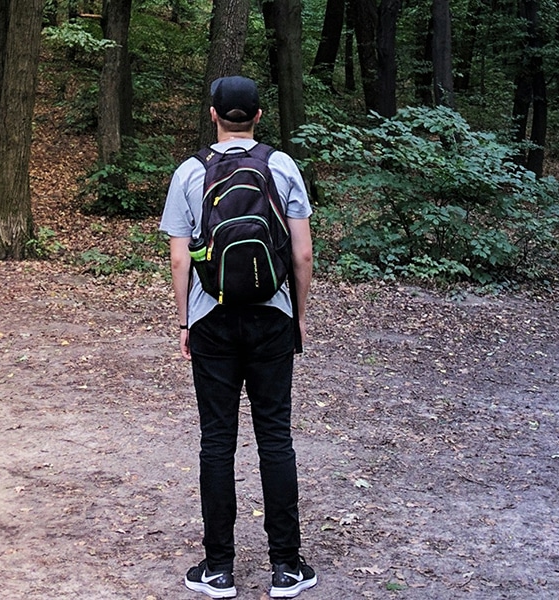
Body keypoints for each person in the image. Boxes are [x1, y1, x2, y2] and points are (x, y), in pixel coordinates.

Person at [158, 75, 317, 599]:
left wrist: (185, 320)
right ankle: (287, 567)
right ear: (258, 115)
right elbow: (302, 254)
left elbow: (181, 256)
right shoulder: (282, 165)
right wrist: (298, 315)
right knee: (276, 436)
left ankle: (218, 568)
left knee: (217, 439)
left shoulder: (189, 172)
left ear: (213, 115)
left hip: (213, 318)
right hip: (273, 316)